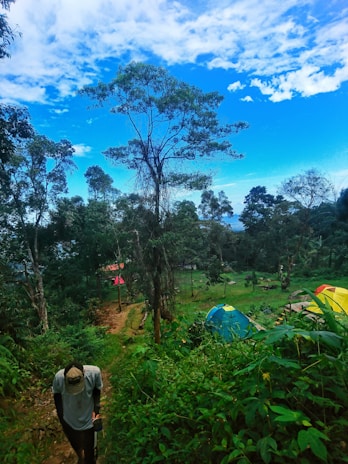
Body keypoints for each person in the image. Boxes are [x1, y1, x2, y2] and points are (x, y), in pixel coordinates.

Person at [53, 361, 103, 464]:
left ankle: (90, 458)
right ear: (65, 377)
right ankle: (80, 457)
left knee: (89, 447)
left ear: (84, 374)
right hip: (69, 417)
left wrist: (96, 411)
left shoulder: (94, 373)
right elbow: (57, 396)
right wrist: (61, 418)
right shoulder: (58, 378)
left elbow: (97, 390)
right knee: (75, 442)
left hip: (88, 416)